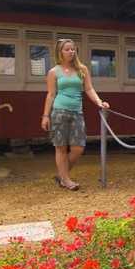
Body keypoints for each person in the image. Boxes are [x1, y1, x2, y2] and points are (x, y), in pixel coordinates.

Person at [41, 39, 109, 190]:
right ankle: (66, 180)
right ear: (60, 52)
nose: (71, 52)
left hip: (77, 112)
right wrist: (45, 116)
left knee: (78, 148)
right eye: (67, 49)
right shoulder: (54, 72)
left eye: (73, 49)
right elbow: (51, 94)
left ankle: (61, 175)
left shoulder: (82, 69)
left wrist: (99, 102)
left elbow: (89, 89)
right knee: (61, 148)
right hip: (59, 111)